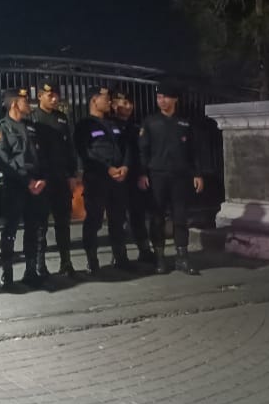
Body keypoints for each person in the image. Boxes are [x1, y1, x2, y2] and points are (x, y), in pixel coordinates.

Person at [139, 80, 205, 276]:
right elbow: (143, 151)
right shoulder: (150, 122)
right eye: (159, 97)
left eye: (166, 97)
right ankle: (160, 258)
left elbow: (194, 152)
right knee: (157, 218)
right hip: (157, 176)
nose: (162, 101)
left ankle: (182, 258)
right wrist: (142, 173)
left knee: (180, 217)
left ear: (175, 99)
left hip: (180, 177)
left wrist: (197, 174)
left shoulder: (184, 123)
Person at [0, 87, 52, 289]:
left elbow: (43, 156)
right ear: (15, 104)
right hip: (16, 186)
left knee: (34, 229)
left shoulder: (32, 127)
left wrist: (42, 179)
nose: (29, 103)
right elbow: (5, 160)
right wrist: (28, 181)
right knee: (10, 230)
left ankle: (31, 271)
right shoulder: (1, 128)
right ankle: (7, 274)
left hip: (36, 186)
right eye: (25, 100)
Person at [74, 85, 133, 275]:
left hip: (118, 179)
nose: (109, 102)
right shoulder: (84, 125)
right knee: (94, 220)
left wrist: (125, 166)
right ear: (94, 100)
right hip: (97, 179)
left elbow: (126, 147)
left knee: (118, 219)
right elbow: (85, 153)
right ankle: (92, 261)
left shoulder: (113, 123)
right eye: (105, 99)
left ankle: (121, 257)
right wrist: (107, 169)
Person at [30, 80, 78, 278]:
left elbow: (70, 149)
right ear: (40, 96)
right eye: (50, 95)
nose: (54, 99)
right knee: (41, 225)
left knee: (63, 223)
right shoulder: (32, 118)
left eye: (56, 95)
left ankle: (66, 262)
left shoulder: (62, 119)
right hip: (42, 179)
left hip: (60, 178)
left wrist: (72, 174)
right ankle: (40, 266)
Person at [111, 88, 155, 264]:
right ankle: (119, 255)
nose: (129, 107)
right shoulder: (109, 125)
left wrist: (143, 173)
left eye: (130, 103)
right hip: (117, 177)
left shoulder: (136, 126)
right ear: (114, 105)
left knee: (138, 215)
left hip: (135, 176)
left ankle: (145, 250)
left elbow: (143, 151)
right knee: (118, 218)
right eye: (124, 103)